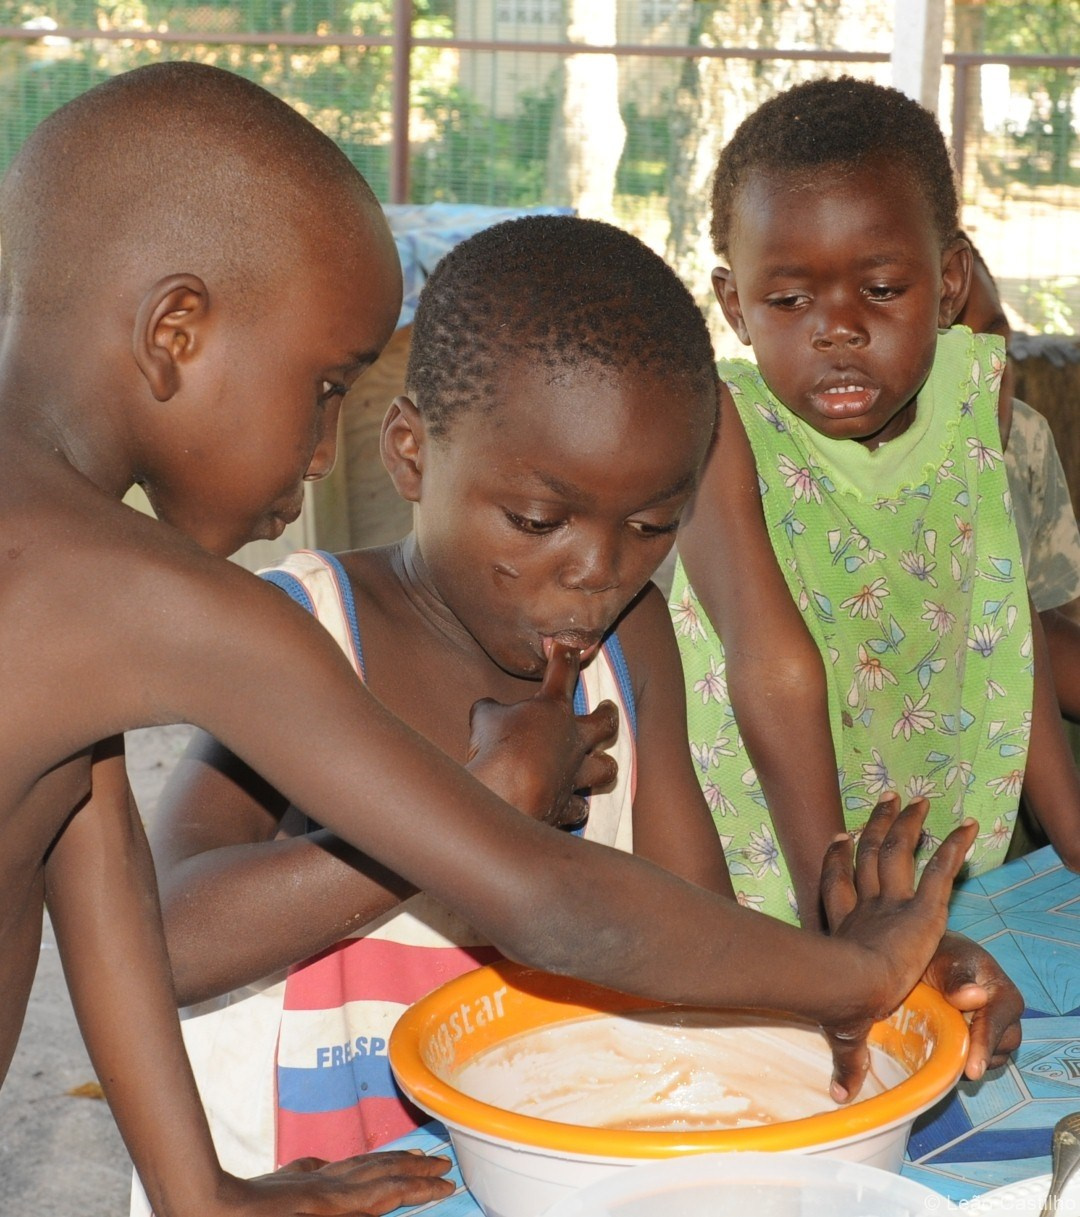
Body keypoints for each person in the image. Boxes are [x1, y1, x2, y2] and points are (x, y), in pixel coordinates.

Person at [0, 61, 986, 1217]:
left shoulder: (68, 568)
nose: (326, 451)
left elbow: (98, 856)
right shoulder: (151, 595)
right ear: (176, 331)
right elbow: (544, 898)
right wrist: (861, 970)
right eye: (325, 385)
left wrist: (195, 1190)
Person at [671, 76, 1080, 932]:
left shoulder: (980, 401)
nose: (837, 328)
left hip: (923, 859)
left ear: (950, 278)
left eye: (883, 290)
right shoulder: (724, 429)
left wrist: (1072, 831)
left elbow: (999, 618)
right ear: (735, 306)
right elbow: (767, 660)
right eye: (789, 301)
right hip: (775, 856)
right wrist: (839, 902)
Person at [956, 237, 1080, 722]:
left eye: (997, 345)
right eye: (946, 349)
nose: (986, 373)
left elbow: (1054, 618)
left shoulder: (1025, 437)